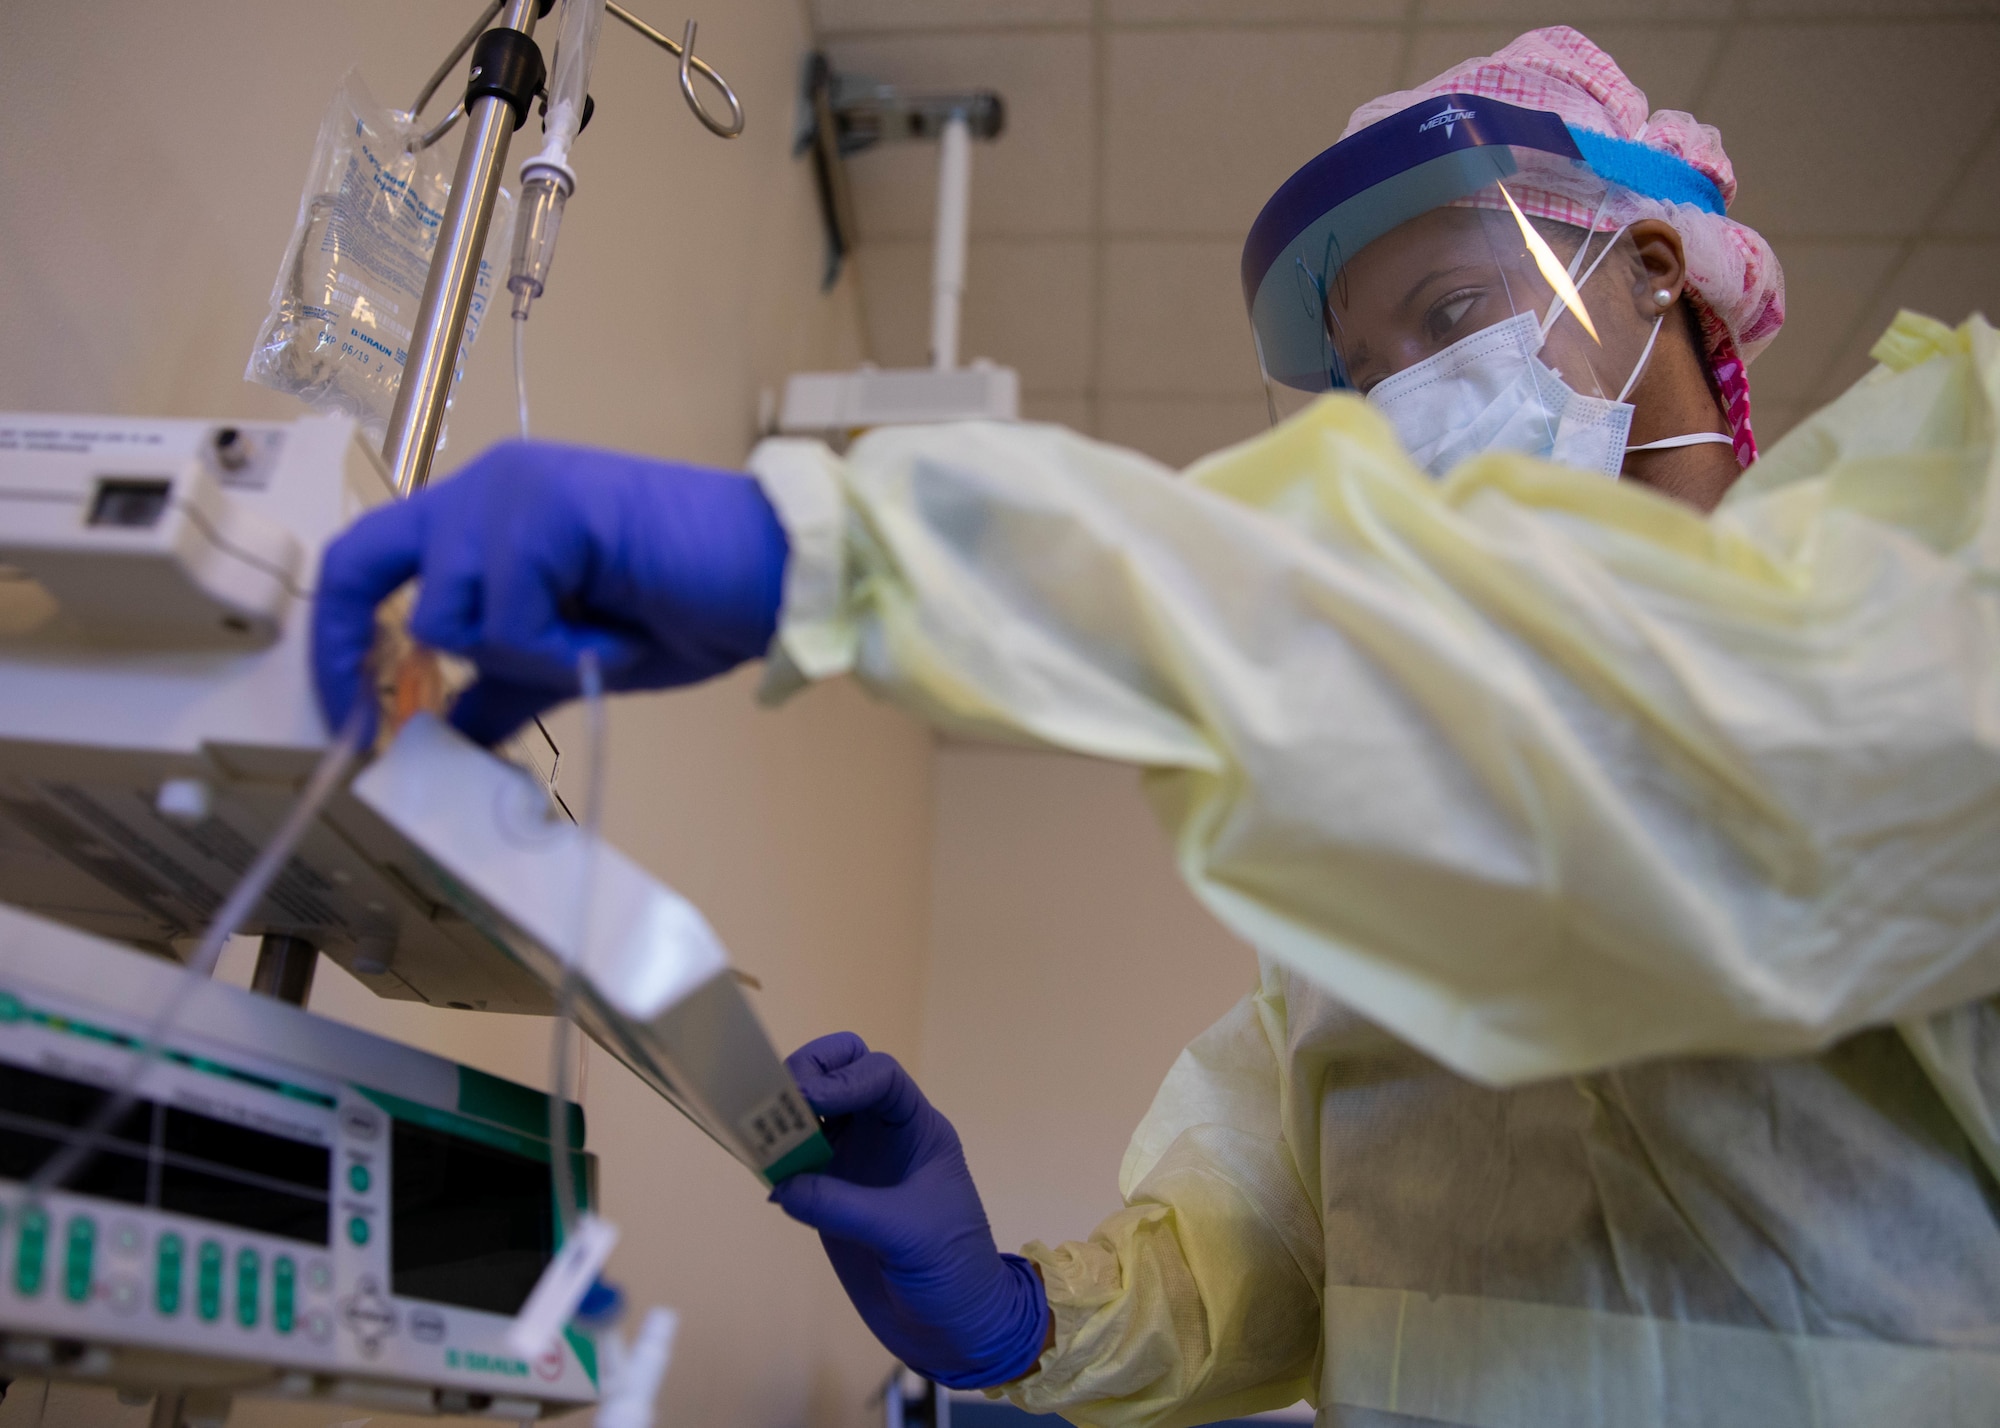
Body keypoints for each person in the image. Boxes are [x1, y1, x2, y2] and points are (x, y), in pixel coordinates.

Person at [314, 28, 2000, 1425]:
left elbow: (1717, 773)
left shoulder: (1942, 534)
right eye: (1358, 374)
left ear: (1652, 270)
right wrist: (1018, 1316)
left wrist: (841, 551)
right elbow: (1264, 1250)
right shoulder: (1394, 833)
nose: (1398, 405)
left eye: (1455, 316)